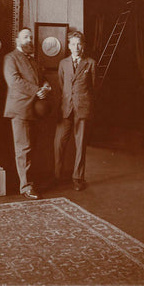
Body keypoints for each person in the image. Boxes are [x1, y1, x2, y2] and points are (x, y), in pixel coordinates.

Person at [3, 28, 51, 200]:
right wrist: (38, 90)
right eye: (25, 37)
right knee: (23, 149)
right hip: (20, 109)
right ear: (17, 40)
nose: (29, 40)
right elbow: (14, 81)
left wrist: (46, 87)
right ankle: (25, 187)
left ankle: (29, 182)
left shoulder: (33, 60)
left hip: (35, 109)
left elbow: (42, 77)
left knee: (31, 148)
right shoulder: (10, 58)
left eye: (31, 37)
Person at [54, 31, 96, 191]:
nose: (76, 47)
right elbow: (61, 84)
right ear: (69, 46)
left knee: (80, 144)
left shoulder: (90, 63)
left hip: (83, 109)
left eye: (79, 44)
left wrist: (84, 101)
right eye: (72, 44)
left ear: (83, 45)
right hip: (66, 108)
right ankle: (57, 176)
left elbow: (93, 87)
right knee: (59, 143)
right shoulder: (63, 63)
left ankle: (78, 178)